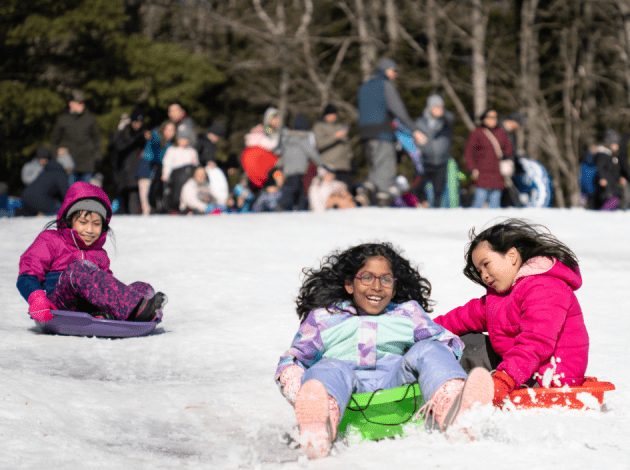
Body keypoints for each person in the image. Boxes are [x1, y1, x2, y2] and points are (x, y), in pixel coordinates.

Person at [275, 242, 494, 459]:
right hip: (345, 394)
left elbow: (444, 342)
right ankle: (319, 423)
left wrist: (438, 367)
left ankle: (455, 410)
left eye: (386, 279)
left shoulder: (406, 313)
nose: (377, 287)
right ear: (350, 284)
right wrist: (300, 388)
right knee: (327, 367)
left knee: (430, 348)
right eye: (367, 277)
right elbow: (294, 361)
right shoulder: (324, 318)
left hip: (398, 386)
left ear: (394, 286)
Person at [433, 219, 589, 407]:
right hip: (522, 372)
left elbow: (535, 343)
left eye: (486, 264)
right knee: (466, 343)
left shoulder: (545, 288)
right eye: (479, 270)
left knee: (468, 352)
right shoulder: (501, 296)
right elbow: (462, 317)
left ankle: (449, 398)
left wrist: (504, 380)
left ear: (512, 256)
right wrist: (426, 331)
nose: (484, 275)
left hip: (550, 379)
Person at [16, 182, 166, 323]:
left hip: (88, 306)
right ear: (70, 220)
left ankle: (122, 313)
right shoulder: (50, 240)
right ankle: (137, 311)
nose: (89, 230)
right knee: (79, 269)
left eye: (96, 224)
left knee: (143, 287)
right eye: (83, 222)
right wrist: (37, 299)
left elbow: (107, 287)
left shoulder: (99, 253)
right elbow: (27, 274)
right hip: (59, 305)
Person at [356, 58, 427, 206]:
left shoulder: (363, 87)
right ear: (387, 70)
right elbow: (398, 109)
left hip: (364, 132)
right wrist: (415, 130)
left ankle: (378, 195)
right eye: (394, 71)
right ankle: (369, 188)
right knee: (387, 164)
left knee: (377, 163)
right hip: (382, 130)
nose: (396, 74)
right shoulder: (385, 85)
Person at [275, 114, 330, 211]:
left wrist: (279, 165)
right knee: (293, 186)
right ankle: (282, 204)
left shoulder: (287, 138)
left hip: (288, 168)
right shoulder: (304, 139)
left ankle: (302, 206)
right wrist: (323, 164)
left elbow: (283, 154)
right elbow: (313, 153)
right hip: (299, 168)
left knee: (300, 187)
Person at [464, 109, 514, 208]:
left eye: (495, 117)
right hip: (482, 173)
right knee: (479, 200)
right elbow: (469, 152)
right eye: (490, 117)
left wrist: (505, 155)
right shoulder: (477, 133)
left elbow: (509, 149)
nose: (493, 120)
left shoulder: (501, 132)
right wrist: (472, 168)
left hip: (497, 174)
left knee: (495, 203)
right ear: (484, 119)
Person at [50, 89, 102, 184]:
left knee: (86, 195)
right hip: (68, 167)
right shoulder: (62, 120)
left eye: (82, 103)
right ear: (71, 103)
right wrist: (57, 155)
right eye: (78, 102)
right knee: (70, 195)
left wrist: (97, 158)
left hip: (87, 165)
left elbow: (97, 140)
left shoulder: (89, 119)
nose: (81, 105)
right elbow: (54, 141)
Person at [413, 94, 455, 207]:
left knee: (439, 188)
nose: (439, 109)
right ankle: (422, 204)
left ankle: (436, 209)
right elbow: (414, 137)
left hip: (441, 161)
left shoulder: (446, 121)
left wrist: (443, 113)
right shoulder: (420, 122)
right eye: (436, 107)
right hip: (424, 161)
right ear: (430, 107)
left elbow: (451, 118)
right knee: (419, 186)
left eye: (441, 107)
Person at [110, 108, 147, 214]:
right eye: (135, 122)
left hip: (138, 174)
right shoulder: (124, 133)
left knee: (134, 202)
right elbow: (120, 148)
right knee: (124, 203)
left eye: (140, 122)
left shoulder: (143, 134)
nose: (137, 125)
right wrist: (136, 139)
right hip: (124, 174)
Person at [136, 120, 177, 215]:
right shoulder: (155, 136)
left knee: (155, 193)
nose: (171, 132)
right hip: (147, 166)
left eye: (173, 130)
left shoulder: (169, 144)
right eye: (169, 129)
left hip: (157, 170)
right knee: (144, 195)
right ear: (163, 129)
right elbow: (156, 153)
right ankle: (145, 211)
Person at [20, 148, 75, 216]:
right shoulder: (60, 174)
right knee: (60, 209)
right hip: (39, 200)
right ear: (66, 167)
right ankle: (42, 213)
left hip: (25, 197)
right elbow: (66, 194)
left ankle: (36, 212)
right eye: (70, 169)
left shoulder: (47, 170)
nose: (70, 172)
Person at [312, 104, 354, 190]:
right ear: (326, 115)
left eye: (334, 114)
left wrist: (351, 158)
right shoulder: (319, 126)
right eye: (331, 114)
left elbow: (347, 145)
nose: (333, 116)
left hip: (344, 165)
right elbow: (319, 144)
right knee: (330, 190)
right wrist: (335, 137)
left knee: (347, 189)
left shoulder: (340, 126)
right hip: (329, 165)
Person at [161, 126, 200, 212]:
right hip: (176, 178)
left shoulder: (192, 151)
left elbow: (196, 165)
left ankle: (188, 206)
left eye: (185, 139)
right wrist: (165, 176)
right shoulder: (172, 150)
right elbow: (167, 164)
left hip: (188, 177)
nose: (183, 141)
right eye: (181, 138)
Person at [593, 129, 630, 211]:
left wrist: (620, 178)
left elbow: (615, 170)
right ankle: (602, 214)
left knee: (615, 199)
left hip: (613, 183)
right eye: (615, 144)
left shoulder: (612, 155)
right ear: (610, 143)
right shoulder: (603, 154)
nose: (617, 146)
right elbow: (600, 168)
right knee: (612, 200)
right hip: (606, 183)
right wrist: (602, 178)